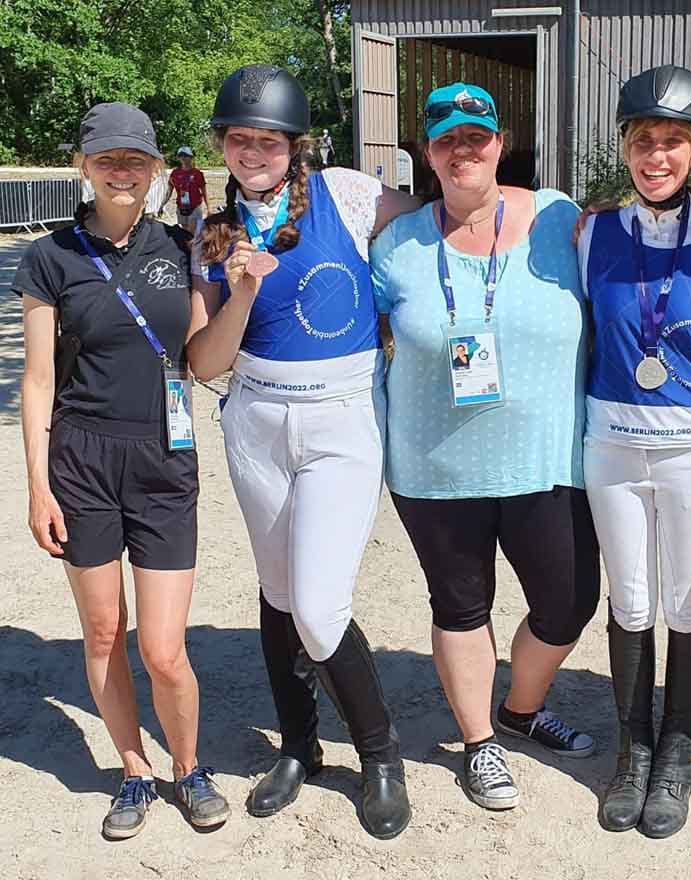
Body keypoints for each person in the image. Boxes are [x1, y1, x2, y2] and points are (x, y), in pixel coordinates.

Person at [187, 64, 420, 840]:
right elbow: (205, 363)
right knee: (278, 590)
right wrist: (242, 292)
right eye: (239, 139)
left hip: (342, 418)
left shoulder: (347, 194)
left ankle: (380, 755)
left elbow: (428, 222)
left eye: (268, 141)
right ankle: (298, 745)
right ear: (224, 145)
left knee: (319, 603)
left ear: (296, 146)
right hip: (256, 417)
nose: (253, 152)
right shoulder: (210, 236)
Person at [371, 82, 600, 811]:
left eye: (478, 136)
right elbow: (350, 326)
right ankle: (479, 743)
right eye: (447, 139)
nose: (464, 149)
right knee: (462, 605)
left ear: (501, 143)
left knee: (567, 603)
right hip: (436, 465)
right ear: (428, 153)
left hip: (549, 458)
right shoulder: (399, 244)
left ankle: (522, 709)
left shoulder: (560, 219)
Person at [16, 102, 229, 839]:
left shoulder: (184, 247)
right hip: (82, 460)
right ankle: (135, 769)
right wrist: (39, 486)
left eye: (136, 160)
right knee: (104, 631)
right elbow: (38, 380)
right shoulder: (50, 257)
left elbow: (204, 357)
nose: (122, 171)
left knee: (162, 648)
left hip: (164, 458)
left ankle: (189, 766)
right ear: (84, 165)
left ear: (156, 169)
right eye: (108, 159)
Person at [577, 65, 691, 839]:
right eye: (644, 140)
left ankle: (676, 754)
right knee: (631, 600)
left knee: (687, 602)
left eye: (674, 141)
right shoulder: (592, 232)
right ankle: (632, 755)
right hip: (611, 439)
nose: (657, 155)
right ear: (626, 147)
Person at [169, 146, 207, 235]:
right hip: (181, 207)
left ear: (191, 157)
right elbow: (169, 189)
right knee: (184, 233)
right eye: (180, 156)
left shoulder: (197, 174)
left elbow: (204, 191)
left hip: (195, 208)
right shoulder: (175, 173)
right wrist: (161, 205)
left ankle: (192, 248)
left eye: (186, 156)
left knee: (191, 234)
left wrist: (208, 208)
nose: (183, 158)